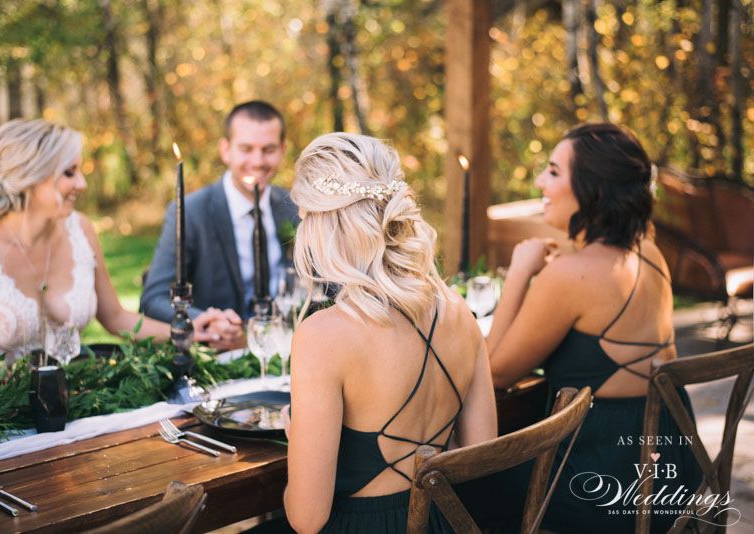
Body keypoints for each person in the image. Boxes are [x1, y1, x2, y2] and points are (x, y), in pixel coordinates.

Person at [485, 123, 700, 533]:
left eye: (552, 171)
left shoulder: (570, 276)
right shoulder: (650, 253)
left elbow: (496, 372)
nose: (538, 181)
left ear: (592, 190)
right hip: (673, 474)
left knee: (462, 484)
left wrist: (519, 273)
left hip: (600, 481)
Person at [281, 133, 497, 533]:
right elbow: (481, 459)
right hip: (447, 523)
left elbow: (307, 519)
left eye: (304, 216)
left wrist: (299, 440)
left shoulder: (323, 336)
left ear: (322, 222)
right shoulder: (458, 310)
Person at [0, 119, 226, 367]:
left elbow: (116, 317)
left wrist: (184, 332)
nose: (82, 184)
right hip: (0, 411)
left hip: (77, 401)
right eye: (70, 173)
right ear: (30, 176)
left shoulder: (80, 228)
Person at [140, 101, 299, 349]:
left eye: (268, 149)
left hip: (287, 353)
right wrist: (201, 320)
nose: (258, 161)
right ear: (225, 150)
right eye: (246, 149)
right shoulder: (190, 213)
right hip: (218, 359)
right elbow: (153, 298)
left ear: (282, 150)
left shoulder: (296, 208)